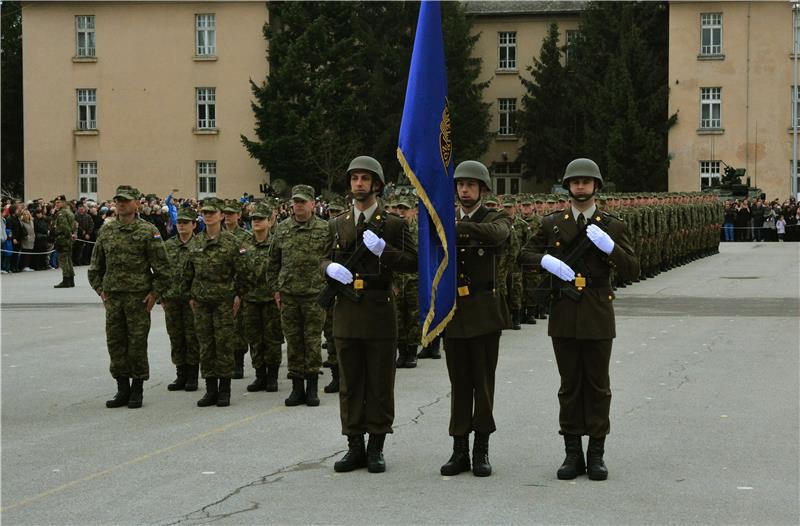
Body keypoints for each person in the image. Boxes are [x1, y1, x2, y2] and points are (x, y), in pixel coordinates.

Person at [521, 158, 639, 481]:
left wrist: (611, 247)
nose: (581, 186)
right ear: (567, 186)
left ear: (596, 186)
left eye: (587, 181)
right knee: (570, 385)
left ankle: (596, 453)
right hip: (565, 313)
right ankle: (572, 452)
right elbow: (524, 255)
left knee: (598, 386)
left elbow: (632, 267)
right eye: (575, 181)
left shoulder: (612, 225)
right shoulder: (552, 224)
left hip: (598, 313)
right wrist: (547, 261)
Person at [322, 155, 417, 473]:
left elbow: (413, 263)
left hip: (379, 311)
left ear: (376, 184)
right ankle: (354, 445)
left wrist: (384, 251)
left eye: (364, 178)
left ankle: (376, 446)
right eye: (354, 178)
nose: (358, 183)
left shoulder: (393, 225)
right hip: (346, 312)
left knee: (379, 381)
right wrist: (329, 268)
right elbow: (320, 260)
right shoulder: (337, 224)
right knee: (350, 382)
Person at [438, 160, 511, 478]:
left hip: (483, 312)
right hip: (454, 312)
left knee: (482, 384)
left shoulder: (495, 216)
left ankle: (481, 449)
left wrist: (460, 228)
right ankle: (458, 450)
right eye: (460, 185)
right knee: (459, 384)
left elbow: (498, 235)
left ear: (482, 189)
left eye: (471, 185)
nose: (464, 189)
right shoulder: (444, 218)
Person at [88, 185, 171, 409]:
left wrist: (154, 294)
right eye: (118, 200)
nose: (121, 204)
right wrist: (100, 289)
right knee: (115, 343)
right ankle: (121, 388)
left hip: (138, 299)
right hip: (113, 298)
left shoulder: (147, 231)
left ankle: (137, 389)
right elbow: (95, 266)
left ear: (136, 203)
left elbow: (163, 269)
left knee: (136, 343)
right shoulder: (107, 230)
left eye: (126, 200)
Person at [267, 185, 330, 408]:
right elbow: (273, 262)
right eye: (296, 202)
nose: (299, 205)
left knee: (312, 341)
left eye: (303, 201)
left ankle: (312, 388)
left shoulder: (325, 229)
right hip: (289, 295)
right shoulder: (282, 229)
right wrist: (275, 289)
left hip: (315, 294)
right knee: (293, 342)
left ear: (313, 204)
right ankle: (296, 388)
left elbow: (333, 260)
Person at [182, 197, 243, 408]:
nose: (208, 216)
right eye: (205, 213)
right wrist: (190, 296)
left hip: (224, 302)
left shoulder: (232, 242)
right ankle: (210, 389)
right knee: (206, 345)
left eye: (212, 213)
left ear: (221, 215)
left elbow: (242, 273)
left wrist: (238, 295)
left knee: (224, 344)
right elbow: (188, 273)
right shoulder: (196, 242)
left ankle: (224, 390)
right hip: (201, 302)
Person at [239, 201, 283, 393]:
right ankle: (260, 376)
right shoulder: (244, 244)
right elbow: (238, 270)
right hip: (250, 299)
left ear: (269, 222)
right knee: (254, 338)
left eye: (260, 219)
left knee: (272, 338)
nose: (256, 222)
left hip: (270, 299)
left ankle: (272, 376)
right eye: (254, 219)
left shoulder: (276, 243)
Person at [162, 207, 200, 392]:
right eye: (179, 223)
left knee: (192, 337)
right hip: (172, 299)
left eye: (186, 223)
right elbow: (160, 271)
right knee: (176, 337)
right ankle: (181, 375)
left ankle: (192, 376)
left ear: (194, 225)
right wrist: (162, 295)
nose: (182, 226)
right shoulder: (168, 246)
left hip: (192, 300)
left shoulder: (199, 245)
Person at [222, 199, 254, 379]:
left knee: (238, 328)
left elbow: (245, 266)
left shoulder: (245, 237)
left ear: (238, 216)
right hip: (219, 289)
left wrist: (240, 292)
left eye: (231, 214)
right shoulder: (216, 235)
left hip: (238, 289)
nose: (228, 217)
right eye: (225, 213)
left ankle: (238, 363)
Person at [53, 195, 76, 288]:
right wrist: (72, 234)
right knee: (68, 259)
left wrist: (68, 235)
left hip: (63, 238)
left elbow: (64, 227)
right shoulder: (69, 212)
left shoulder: (62, 213)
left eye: (58, 203)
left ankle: (66, 280)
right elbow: (74, 225)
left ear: (64, 203)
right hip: (68, 238)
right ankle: (71, 280)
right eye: (56, 203)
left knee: (63, 259)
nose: (56, 205)